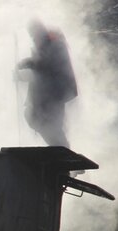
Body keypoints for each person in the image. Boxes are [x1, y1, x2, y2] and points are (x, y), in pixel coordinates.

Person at [16, 19, 78, 148]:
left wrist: (28, 63)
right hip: (47, 94)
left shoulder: (53, 43)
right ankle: (60, 149)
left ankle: (63, 151)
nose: (33, 37)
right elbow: (41, 72)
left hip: (55, 93)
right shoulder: (44, 45)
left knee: (50, 123)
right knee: (35, 118)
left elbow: (47, 65)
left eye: (33, 34)